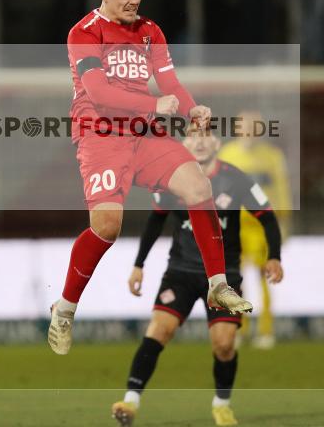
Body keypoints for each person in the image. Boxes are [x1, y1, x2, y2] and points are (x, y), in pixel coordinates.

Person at [50, 0, 253, 356]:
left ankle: (218, 284)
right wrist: (154, 104)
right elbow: (99, 94)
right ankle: (65, 307)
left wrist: (192, 108)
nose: (133, 0)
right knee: (107, 227)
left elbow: (169, 81)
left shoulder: (150, 31)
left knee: (198, 185)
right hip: (101, 136)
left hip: (143, 133)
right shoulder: (84, 33)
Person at [112, 126, 283, 427]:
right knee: (159, 330)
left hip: (224, 275)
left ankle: (222, 405)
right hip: (181, 271)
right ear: (185, 143)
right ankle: (130, 402)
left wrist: (274, 256)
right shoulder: (171, 178)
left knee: (224, 344)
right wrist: (139, 264)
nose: (199, 141)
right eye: (193, 136)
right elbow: (155, 220)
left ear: (216, 143)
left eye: (206, 136)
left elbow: (267, 217)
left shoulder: (237, 179)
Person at [218, 110, 291, 349]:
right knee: (234, 278)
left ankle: (266, 331)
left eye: (254, 126)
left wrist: (283, 222)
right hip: (235, 224)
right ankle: (239, 329)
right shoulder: (227, 154)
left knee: (264, 276)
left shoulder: (272, 157)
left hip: (260, 225)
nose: (249, 131)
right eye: (245, 126)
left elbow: (282, 189)